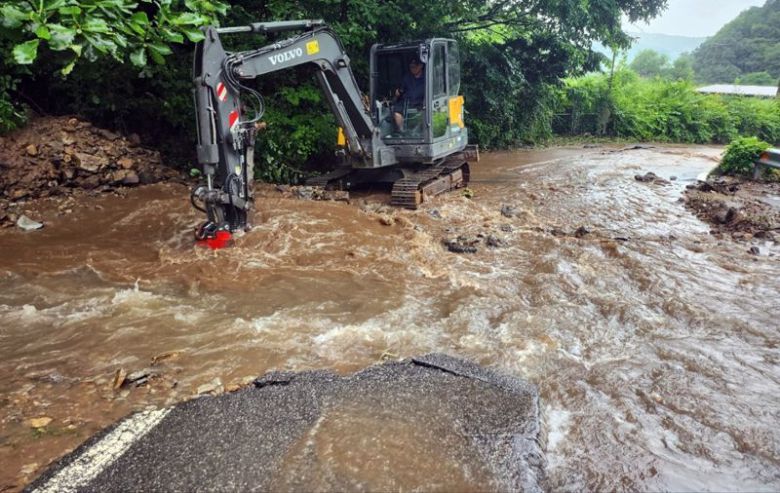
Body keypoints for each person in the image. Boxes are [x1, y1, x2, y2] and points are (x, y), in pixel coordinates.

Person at [393, 57, 425, 132]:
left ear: (420, 66)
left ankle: (418, 132)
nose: (412, 69)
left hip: (420, 104)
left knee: (424, 113)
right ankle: (402, 131)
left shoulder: (426, 78)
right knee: (396, 112)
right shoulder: (407, 77)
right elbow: (401, 89)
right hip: (406, 102)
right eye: (411, 67)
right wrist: (398, 92)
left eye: (414, 67)